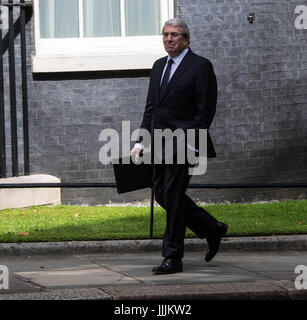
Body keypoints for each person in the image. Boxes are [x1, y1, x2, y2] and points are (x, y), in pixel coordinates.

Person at [130, 18, 228, 275]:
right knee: (163, 194)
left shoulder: (200, 66)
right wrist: (141, 141)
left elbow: (205, 110)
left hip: (184, 145)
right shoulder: (158, 66)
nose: (169, 39)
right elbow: (151, 109)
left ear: (186, 39)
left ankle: (172, 257)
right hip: (158, 145)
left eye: (174, 35)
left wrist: (193, 144)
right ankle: (211, 228)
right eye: (165, 35)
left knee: (172, 196)